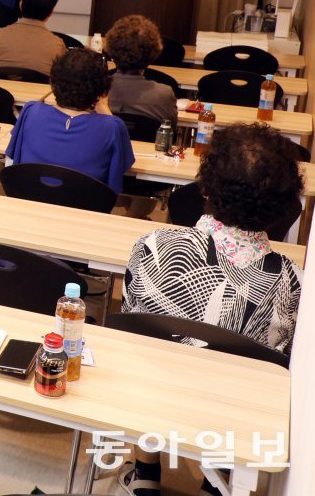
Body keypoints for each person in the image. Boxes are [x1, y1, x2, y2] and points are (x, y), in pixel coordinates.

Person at [119, 123, 302, 496]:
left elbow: (127, 328)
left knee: (155, 356)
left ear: (204, 187)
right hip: (228, 415)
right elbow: (275, 366)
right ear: (284, 206)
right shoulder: (290, 282)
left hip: (146, 395)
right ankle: (215, 484)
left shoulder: (153, 245)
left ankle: (145, 472)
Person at [6, 48, 134, 194]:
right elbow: (124, 166)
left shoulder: (31, 111)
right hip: (85, 210)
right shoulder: (112, 126)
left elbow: (14, 156)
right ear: (102, 90)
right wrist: (103, 106)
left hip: (30, 202)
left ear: (53, 83)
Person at [104, 14, 177, 127]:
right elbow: (171, 132)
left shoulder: (96, 90)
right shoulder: (164, 94)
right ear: (153, 53)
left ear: (111, 49)